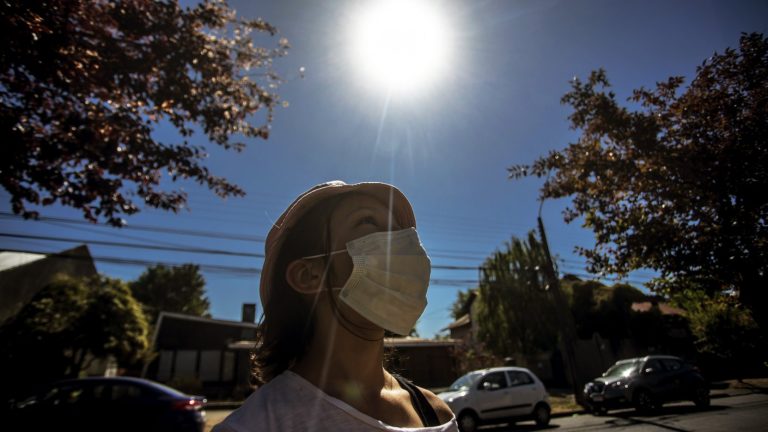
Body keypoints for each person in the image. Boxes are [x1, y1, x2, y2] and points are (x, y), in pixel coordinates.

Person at [213, 181, 457, 431]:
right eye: (369, 222)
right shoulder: (256, 425)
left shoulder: (435, 412)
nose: (397, 241)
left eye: (398, 230)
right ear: (308, 275)